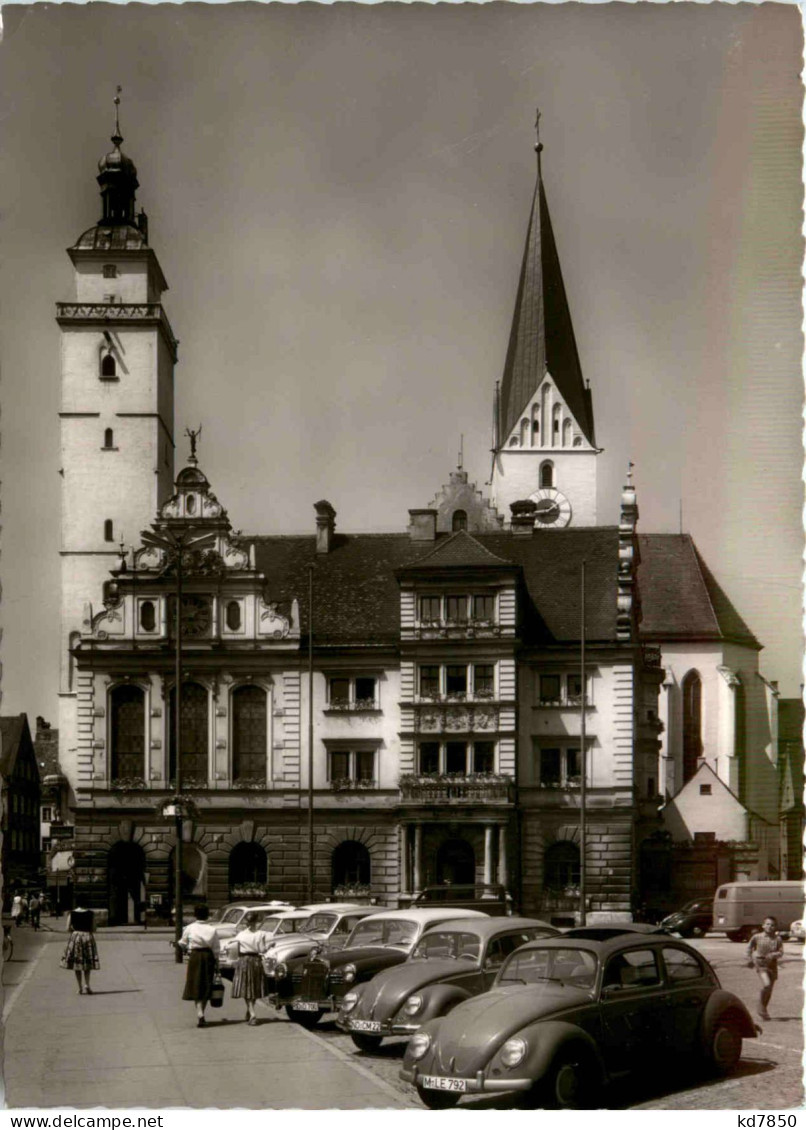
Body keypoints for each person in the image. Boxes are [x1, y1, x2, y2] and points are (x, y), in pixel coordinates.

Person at [177, 905, 221, 1027]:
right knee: (206, 984)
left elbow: (182, 942)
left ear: (195, 915)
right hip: (208, 956)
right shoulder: (212, 929)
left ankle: (200, 1013)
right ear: (207, 915)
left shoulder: (190, 928)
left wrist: (186, 950)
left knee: (196, 983)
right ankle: (202, 1013)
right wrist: (217, 962)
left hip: (195, 957)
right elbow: (216, 948)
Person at [230, 911, 272, 1025]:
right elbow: (262, 950)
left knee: (246, 987)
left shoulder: (240, 935)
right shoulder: (260, 934)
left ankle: (250, 1011)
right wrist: (270, 946)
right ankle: (252, 1013)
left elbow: (232, 947)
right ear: (256, 921)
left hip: (243, 961)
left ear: (246, 922)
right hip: (256, 961)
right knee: (254, 987)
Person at [746, 915, 784, 1020]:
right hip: (760, 964)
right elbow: (749, 947)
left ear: (775, 927)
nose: (769, 927)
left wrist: (773, 955)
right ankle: (760, 1006)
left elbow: (781, 952)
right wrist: (749, 959)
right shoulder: (757, 937)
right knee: (766, 985)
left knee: (769, 989)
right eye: (767, 924)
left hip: (772, 965)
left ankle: (763, 1010)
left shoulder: (778, 939)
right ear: (763, 925)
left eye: (772, 925)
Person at [64, 907, 99, 995]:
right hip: (87, 937)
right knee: (87, 962)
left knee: (77, 962)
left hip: (76, 937)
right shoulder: (91, 913)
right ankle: (87, 984)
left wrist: (74, 929)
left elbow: (67, 928)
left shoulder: (72, 913)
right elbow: (94, 928)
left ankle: (79, 987)